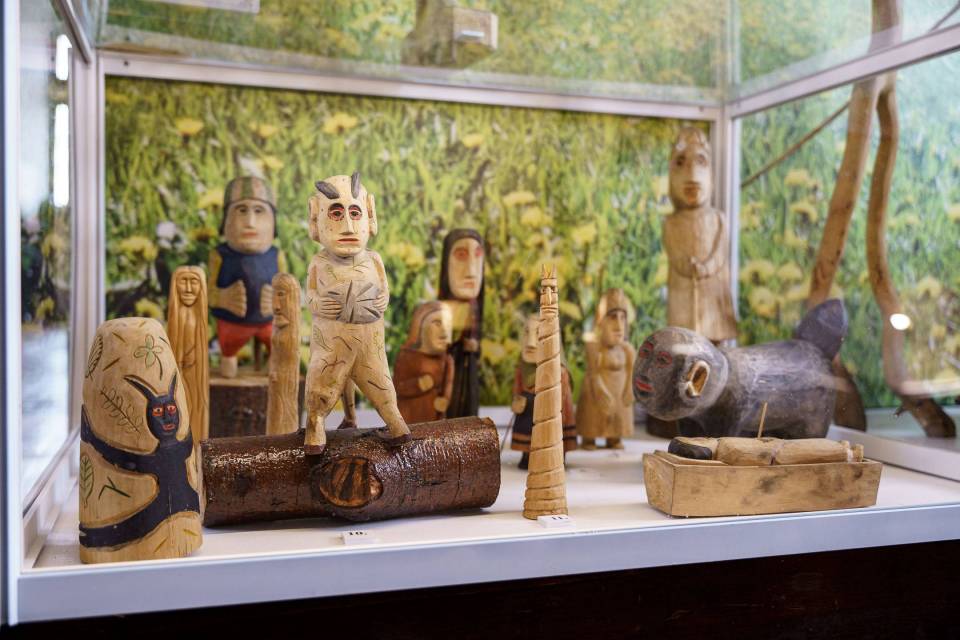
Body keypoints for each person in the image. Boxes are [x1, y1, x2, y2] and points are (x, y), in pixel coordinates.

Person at [303, 172, 410, 454]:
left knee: (379, 380)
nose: (348, 226)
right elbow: (310, 295)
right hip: (331, 342)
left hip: (368, 340)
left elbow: (384, 289)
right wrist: (317, 304)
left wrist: (383, 299)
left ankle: (395, 422)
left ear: (369, 215)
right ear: (316, 218)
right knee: (322, 382)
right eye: (336, 214)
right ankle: (316, 424)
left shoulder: (374, 259)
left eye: (355, 213)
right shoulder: (319, 262)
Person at [208, 176, 286, 378]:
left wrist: (279, 300)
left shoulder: (277, 255)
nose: (250, 223)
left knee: (276, 364)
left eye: (259, 211)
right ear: (225, 220)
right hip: (231, 325)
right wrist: (222, 298)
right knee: (228, 368)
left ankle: (273, 378)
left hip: (269, 323)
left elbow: (288, 291)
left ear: (273, 221)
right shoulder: (219, 255)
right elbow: (208, 292)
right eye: (241, 210)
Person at [510, 315, 576, 468]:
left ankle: (555, 456)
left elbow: (562, 402)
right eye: (527, 333)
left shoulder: (559, 372)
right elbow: (517, 389)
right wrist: (516, 400)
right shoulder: (522, 368)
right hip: (527, 415)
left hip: (549, 416)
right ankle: (527, 455)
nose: (530, 343)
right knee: (527, 429)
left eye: (538, 334)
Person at [577, 288, 636, 449]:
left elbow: (631, 372)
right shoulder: (594, 348)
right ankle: (589, 437)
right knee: (592, 404)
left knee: (620, 408)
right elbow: (593, 374)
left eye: (623, 318)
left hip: (618, 396)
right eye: (612, 317)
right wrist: (599, 387)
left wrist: (630, 388)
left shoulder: (628, 350)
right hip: (598, 394)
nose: (619, 325)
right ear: (601, 321)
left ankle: (614, 437)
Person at [438, 229, 484, 417]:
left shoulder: (475, 307)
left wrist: (474, 346)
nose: (471, 272)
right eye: (461, 256)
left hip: (469, 370)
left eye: (478, 256)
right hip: (449, 374)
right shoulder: (444, 310)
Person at [393, 301, 455, 424]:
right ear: (420, 327)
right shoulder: (406, 356)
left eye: (448, 325)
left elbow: (448, 384)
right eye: (437, 323)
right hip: (409, 419)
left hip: (434, 420)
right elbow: (397, 388)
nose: (445, 331)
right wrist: (418, 385)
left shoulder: (447, 360)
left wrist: (445, 400)